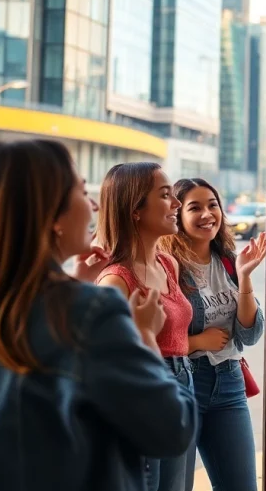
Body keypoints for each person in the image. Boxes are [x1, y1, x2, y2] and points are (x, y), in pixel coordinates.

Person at [0, 140, 197, 491]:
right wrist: (147, 338)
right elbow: (172, 429)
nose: (93, 206)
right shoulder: (90, 311)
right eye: (81, 192)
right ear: (53, 216)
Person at [160, 178, 266, 491]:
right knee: (176, 486)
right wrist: (197, 342)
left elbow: (250, 334)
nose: (207, 214)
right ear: (177, 214)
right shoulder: (168, 267)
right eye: (195, 207)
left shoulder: (229, 261)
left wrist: (245, 277)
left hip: (230, 382)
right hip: (184, 383)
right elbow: (151, 339)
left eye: (212, 205)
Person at [96, 162, 194, 491]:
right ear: (135, 210)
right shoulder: (115, 281)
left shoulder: (169, 264)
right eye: (165, 195)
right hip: (144, 392)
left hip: (183, 383)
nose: (176, 203)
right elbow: (108, 367)